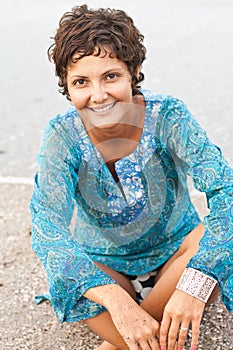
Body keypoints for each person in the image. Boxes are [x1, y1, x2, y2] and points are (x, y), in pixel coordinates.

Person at [30, 4, 233, 350]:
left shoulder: (167, 115)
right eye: (81, 82)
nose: (98, 95)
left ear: (134, 71)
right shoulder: (61, 136)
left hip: (178, 261)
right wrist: (119, 303)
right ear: (66, 85)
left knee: (212, 240)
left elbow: (226, 191)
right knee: (63, 269)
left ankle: (123, 342)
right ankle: (157, 333)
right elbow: (46, 226)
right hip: (105, 274)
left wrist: (193, 285)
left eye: (110, 76)